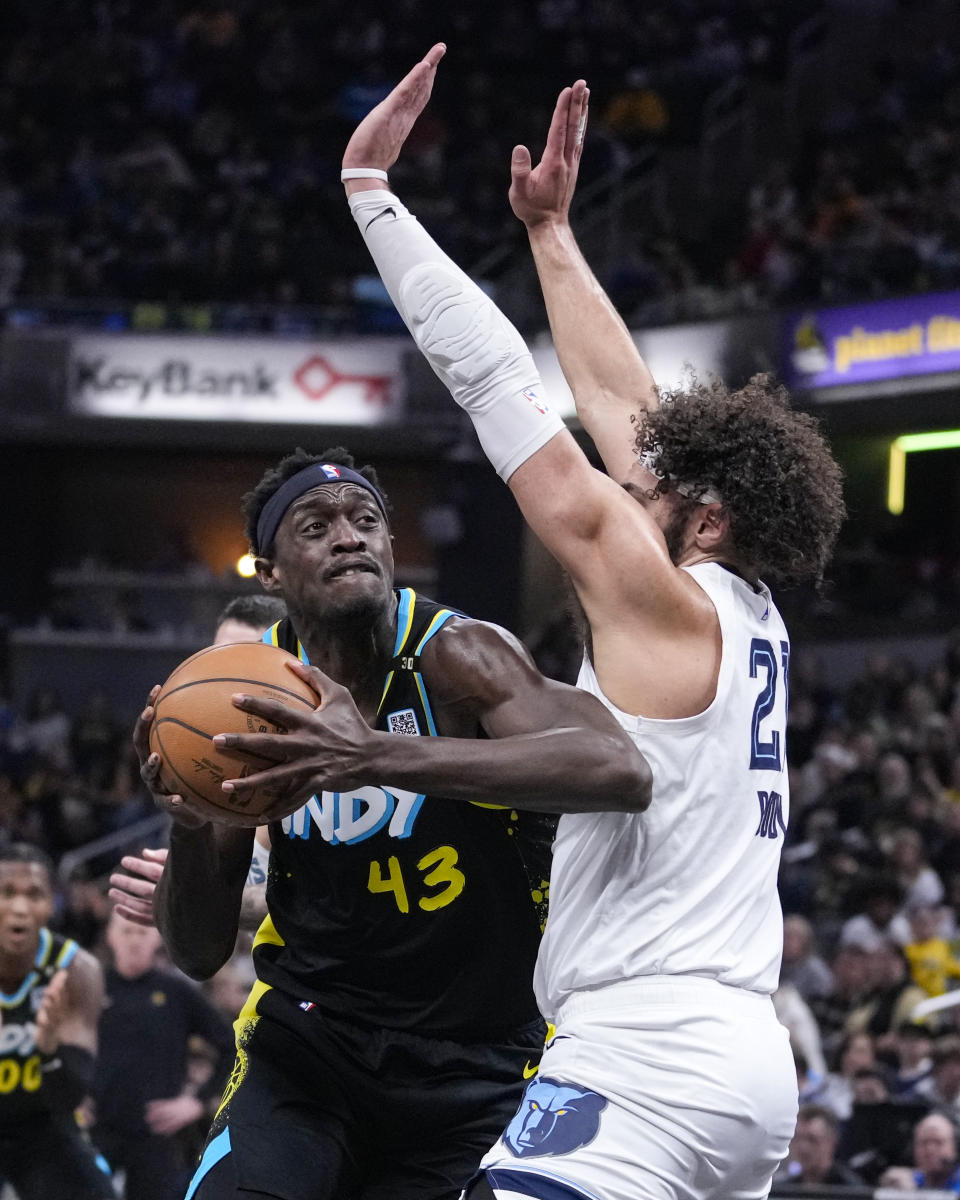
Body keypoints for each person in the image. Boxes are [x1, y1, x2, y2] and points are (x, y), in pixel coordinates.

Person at [341, 45, 845, 1200]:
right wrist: (552, 237)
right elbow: (630, 408)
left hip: (650, 1054)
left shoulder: (666, 603)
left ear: (704, 518)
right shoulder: (736, 605)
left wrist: (375, 201)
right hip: (733, 1055)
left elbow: (500, 394)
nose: (629, 486)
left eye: (649, 491)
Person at [136, 445, 652, 1199]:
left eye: (366, 521)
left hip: (477, 1063)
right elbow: (197, 952)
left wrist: (374, 756)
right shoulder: (248, 698)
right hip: (310, 1045)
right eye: (315, 526)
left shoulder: (455, 657)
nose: (349, 536)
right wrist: (190, 818)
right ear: (270, 573)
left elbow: (621, 770)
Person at [108, 593, 287, 931]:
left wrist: (195, 901)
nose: (228, 679)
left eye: (246, 663)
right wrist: (180, 901)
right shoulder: (202, 778)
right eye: (219, 660)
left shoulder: (328, 767)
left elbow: (337, 901)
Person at [92, 910, 234, 1200]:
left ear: (157, 937)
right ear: (110, 936)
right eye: (126, 931)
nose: (134, 940)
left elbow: (231, 1045)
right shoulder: (92, 987)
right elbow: (60, 1043)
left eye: (142, 932)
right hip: (99, 1129)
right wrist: (71, 1096)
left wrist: (197, 1102)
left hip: (157, 1134)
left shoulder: (175, 991)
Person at [0, 842, 112, 1199]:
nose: (19, 908)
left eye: (34, 895)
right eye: (6, 893)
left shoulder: (77, 970)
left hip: (44, 1123)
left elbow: (70, 1097)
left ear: (51, 904)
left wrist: (48, 1048)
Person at [772, 1104, 864, 1188]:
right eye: (797, 1139)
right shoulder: (784, 1189)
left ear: (831, 1142)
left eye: (812, 1140)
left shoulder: (851, 1190)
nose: (803, 1147)